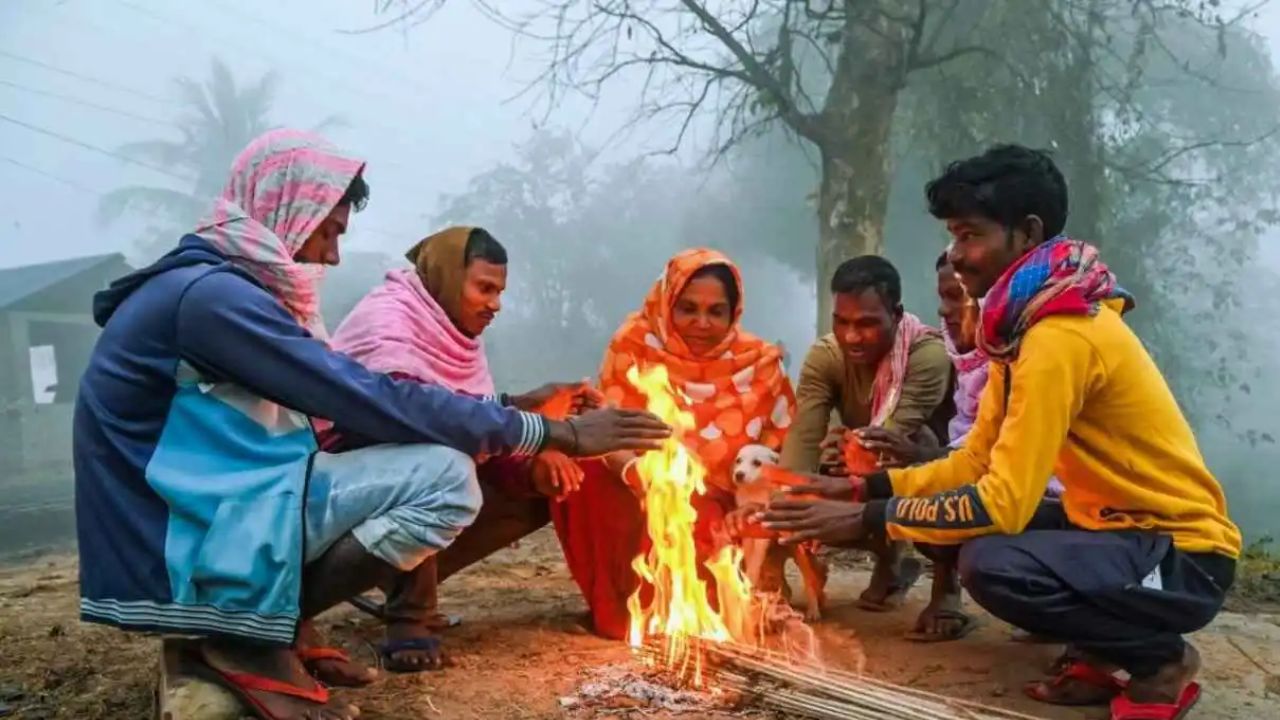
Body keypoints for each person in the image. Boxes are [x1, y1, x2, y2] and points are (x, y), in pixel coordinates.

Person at [74, 130, 671, 720]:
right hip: (175, 528)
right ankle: (244, 639)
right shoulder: (212, 298)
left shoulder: (222, 290)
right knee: (443, 475)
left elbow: (393, 402)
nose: (332, 256)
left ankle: (275, 628)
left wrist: (522, 414)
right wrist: (553, 432)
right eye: (329, 231)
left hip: (223, 498)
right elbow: (376, 400)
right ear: (285, 210)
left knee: (476, 463)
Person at [761, 144, 1240, 720]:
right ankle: (1100, 650)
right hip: (1113, 529)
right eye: (953, 237)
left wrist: (865, 519)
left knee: (994, 566)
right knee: (955, 531)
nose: (956, 255)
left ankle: (1158, 661)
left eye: (970, 235)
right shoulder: (1024, 327)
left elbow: (1004, 502)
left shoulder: (1060, 336)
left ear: (1027, 233)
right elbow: (975, 462)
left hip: (1182, 556)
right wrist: (866, 490)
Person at [320, 225, 601, 673]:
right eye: (484, 287)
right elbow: (422, 418)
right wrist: (536, 426)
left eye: (501, 291)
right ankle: (408, 615)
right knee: (435, 456)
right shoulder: (388, 319)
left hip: (420, 470)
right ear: (448, 277)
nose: (495, 304)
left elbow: (471, 418)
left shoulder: (455, 335)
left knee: (546, 482)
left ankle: (392, 573)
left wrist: (535, 462)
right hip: (341, 482)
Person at [550, 248, 797, 640]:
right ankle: (620, 611)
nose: (701, 323)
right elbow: (605, 430)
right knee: (584, 469)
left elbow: (783, 456)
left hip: (722, 499)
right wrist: (637, 474)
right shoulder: (632, 345)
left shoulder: (759, 362)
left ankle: (705, 605)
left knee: (703, 545)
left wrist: (749, 511)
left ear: (734, 312)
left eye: (716, 311)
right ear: (667, 303)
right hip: (636, 482)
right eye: (688, 309)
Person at [779, 256, 953, 612]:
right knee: (789, 490)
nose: (852, 336)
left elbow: (888, 442)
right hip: (861, 465)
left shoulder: (928, 355)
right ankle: (892, 563)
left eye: (867, 323)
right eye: (841, 322)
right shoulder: (826, 356)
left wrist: (847, 451)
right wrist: (786, 497)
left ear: (897, 314)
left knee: (920, 446)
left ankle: (947, 590)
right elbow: (804, 436)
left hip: (932, 471)